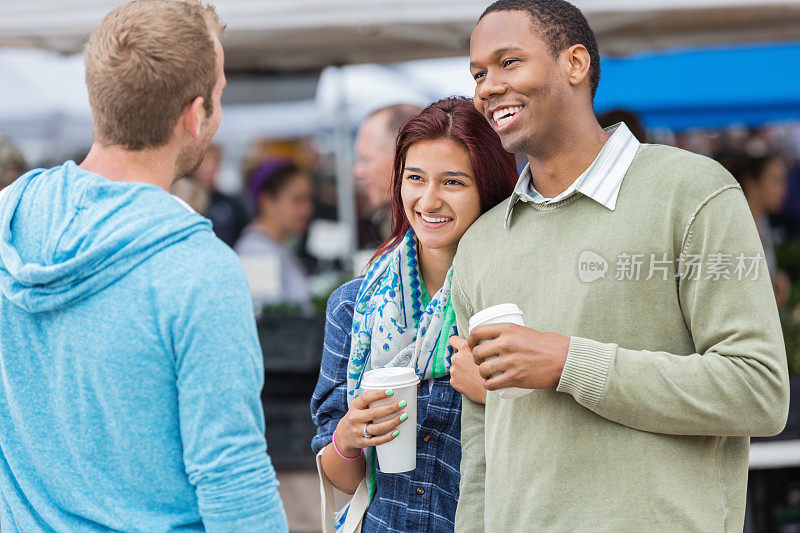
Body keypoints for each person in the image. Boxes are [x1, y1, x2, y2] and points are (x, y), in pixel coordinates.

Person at [449, 1, 790, 531]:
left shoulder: (694, 191)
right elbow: (482, 443)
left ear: (576, 64)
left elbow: (758, 391)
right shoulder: (481, 244)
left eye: (508, 62)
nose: (487, 87)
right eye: (478, 73)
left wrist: (569, 363)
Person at [0, 1, 288, 530]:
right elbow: (232, 478)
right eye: (219, 95)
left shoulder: (9, 222)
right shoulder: (199, 270)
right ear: (195, 114)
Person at [310, 97, 517, 532]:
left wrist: (497, 397)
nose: (428, 200)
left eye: (453, 182)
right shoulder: (353, 306)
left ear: (490, 189)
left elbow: (556, 449)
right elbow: (341, 477)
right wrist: (348, 437)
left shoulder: (511, 306)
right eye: (415, 178)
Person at [235, 159, 314, 312]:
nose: (307, 210)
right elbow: (266, 322)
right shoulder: (256, 252)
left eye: (308, 199)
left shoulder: (275, 245)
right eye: (297, 200)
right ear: (267, 202)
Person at [724, 153, 792, 308]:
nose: (783, 190)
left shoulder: (762, 221)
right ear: (751, 183)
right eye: (776, 181)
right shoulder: (736, 228)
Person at [353, 104, 422, 248]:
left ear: (401, 158)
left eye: (366, 159)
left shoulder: (427, 232)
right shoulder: (392, 223)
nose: (357, 171)